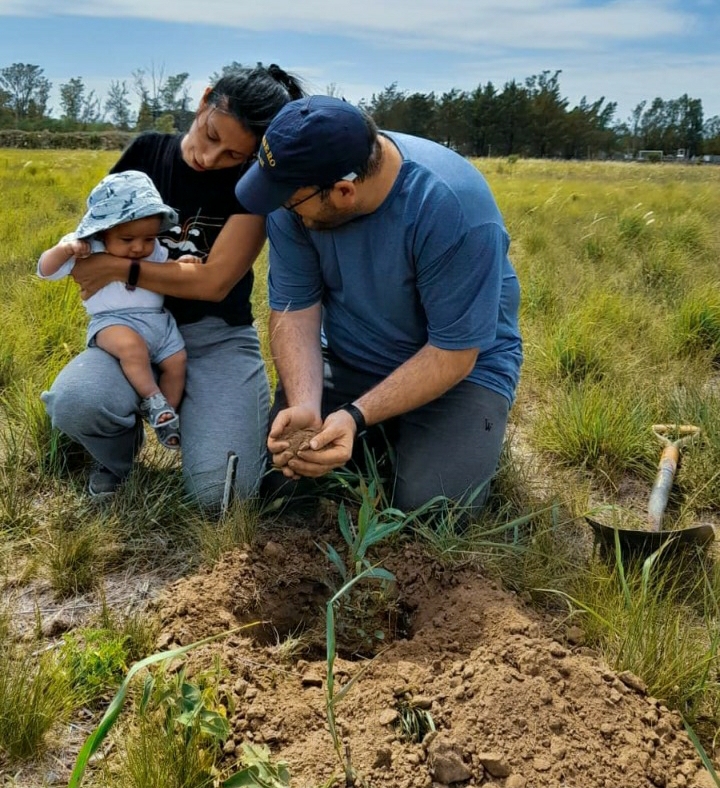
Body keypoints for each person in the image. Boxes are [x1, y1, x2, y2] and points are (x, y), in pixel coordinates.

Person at [234, 95, 523, 516]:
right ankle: (388, 440)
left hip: (460, 370)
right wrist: (305, 405)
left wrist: (355, 416)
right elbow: (295, 310)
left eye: (289, 202)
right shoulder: (294, 195)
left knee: (433, 512)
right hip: (349, 354)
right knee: (280, 488)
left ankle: (421, 441)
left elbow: (454, 353)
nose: (280, 210)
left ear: (344, 191)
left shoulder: (453, 208)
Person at [42, 64, 305, 508]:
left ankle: (216, 421)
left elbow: (215, 282)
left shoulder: (255, 187)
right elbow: (92, 241)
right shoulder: (146, 152)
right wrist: (92, 259)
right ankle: (117, 457)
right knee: (76, 403)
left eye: (234, 156)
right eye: (212, 134)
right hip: (130, 330)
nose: (211, 158)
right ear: (203, 102)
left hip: (217, 336)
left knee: (221, 497)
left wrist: (120, 270)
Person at [38, 170, 185, 450]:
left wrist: (183, 260)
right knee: (132, 349)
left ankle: (165, 415)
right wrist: (65, 249)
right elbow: (45, 270)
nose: (139, 248)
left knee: (177, 363)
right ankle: (152, 397)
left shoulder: (153, 249)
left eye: (149, 239)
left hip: (159, 324)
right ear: (104, 231)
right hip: (113, 323)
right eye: (127, 240)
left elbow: (165, 270)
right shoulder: (86, 248)